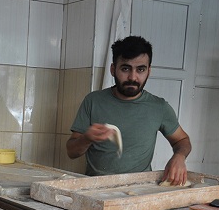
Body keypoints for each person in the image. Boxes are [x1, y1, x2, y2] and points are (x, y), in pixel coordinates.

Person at [66, 35, 192, 185]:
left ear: (149, 71)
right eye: (125, 68)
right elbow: (71, 152)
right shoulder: (93, 101)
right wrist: (87, 138)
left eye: (141, 69)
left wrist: (179, 157)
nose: (133, 77)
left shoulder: (159, 107)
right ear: (113, 69)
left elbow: (182, 140)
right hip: (96, 188)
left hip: (140, 190)